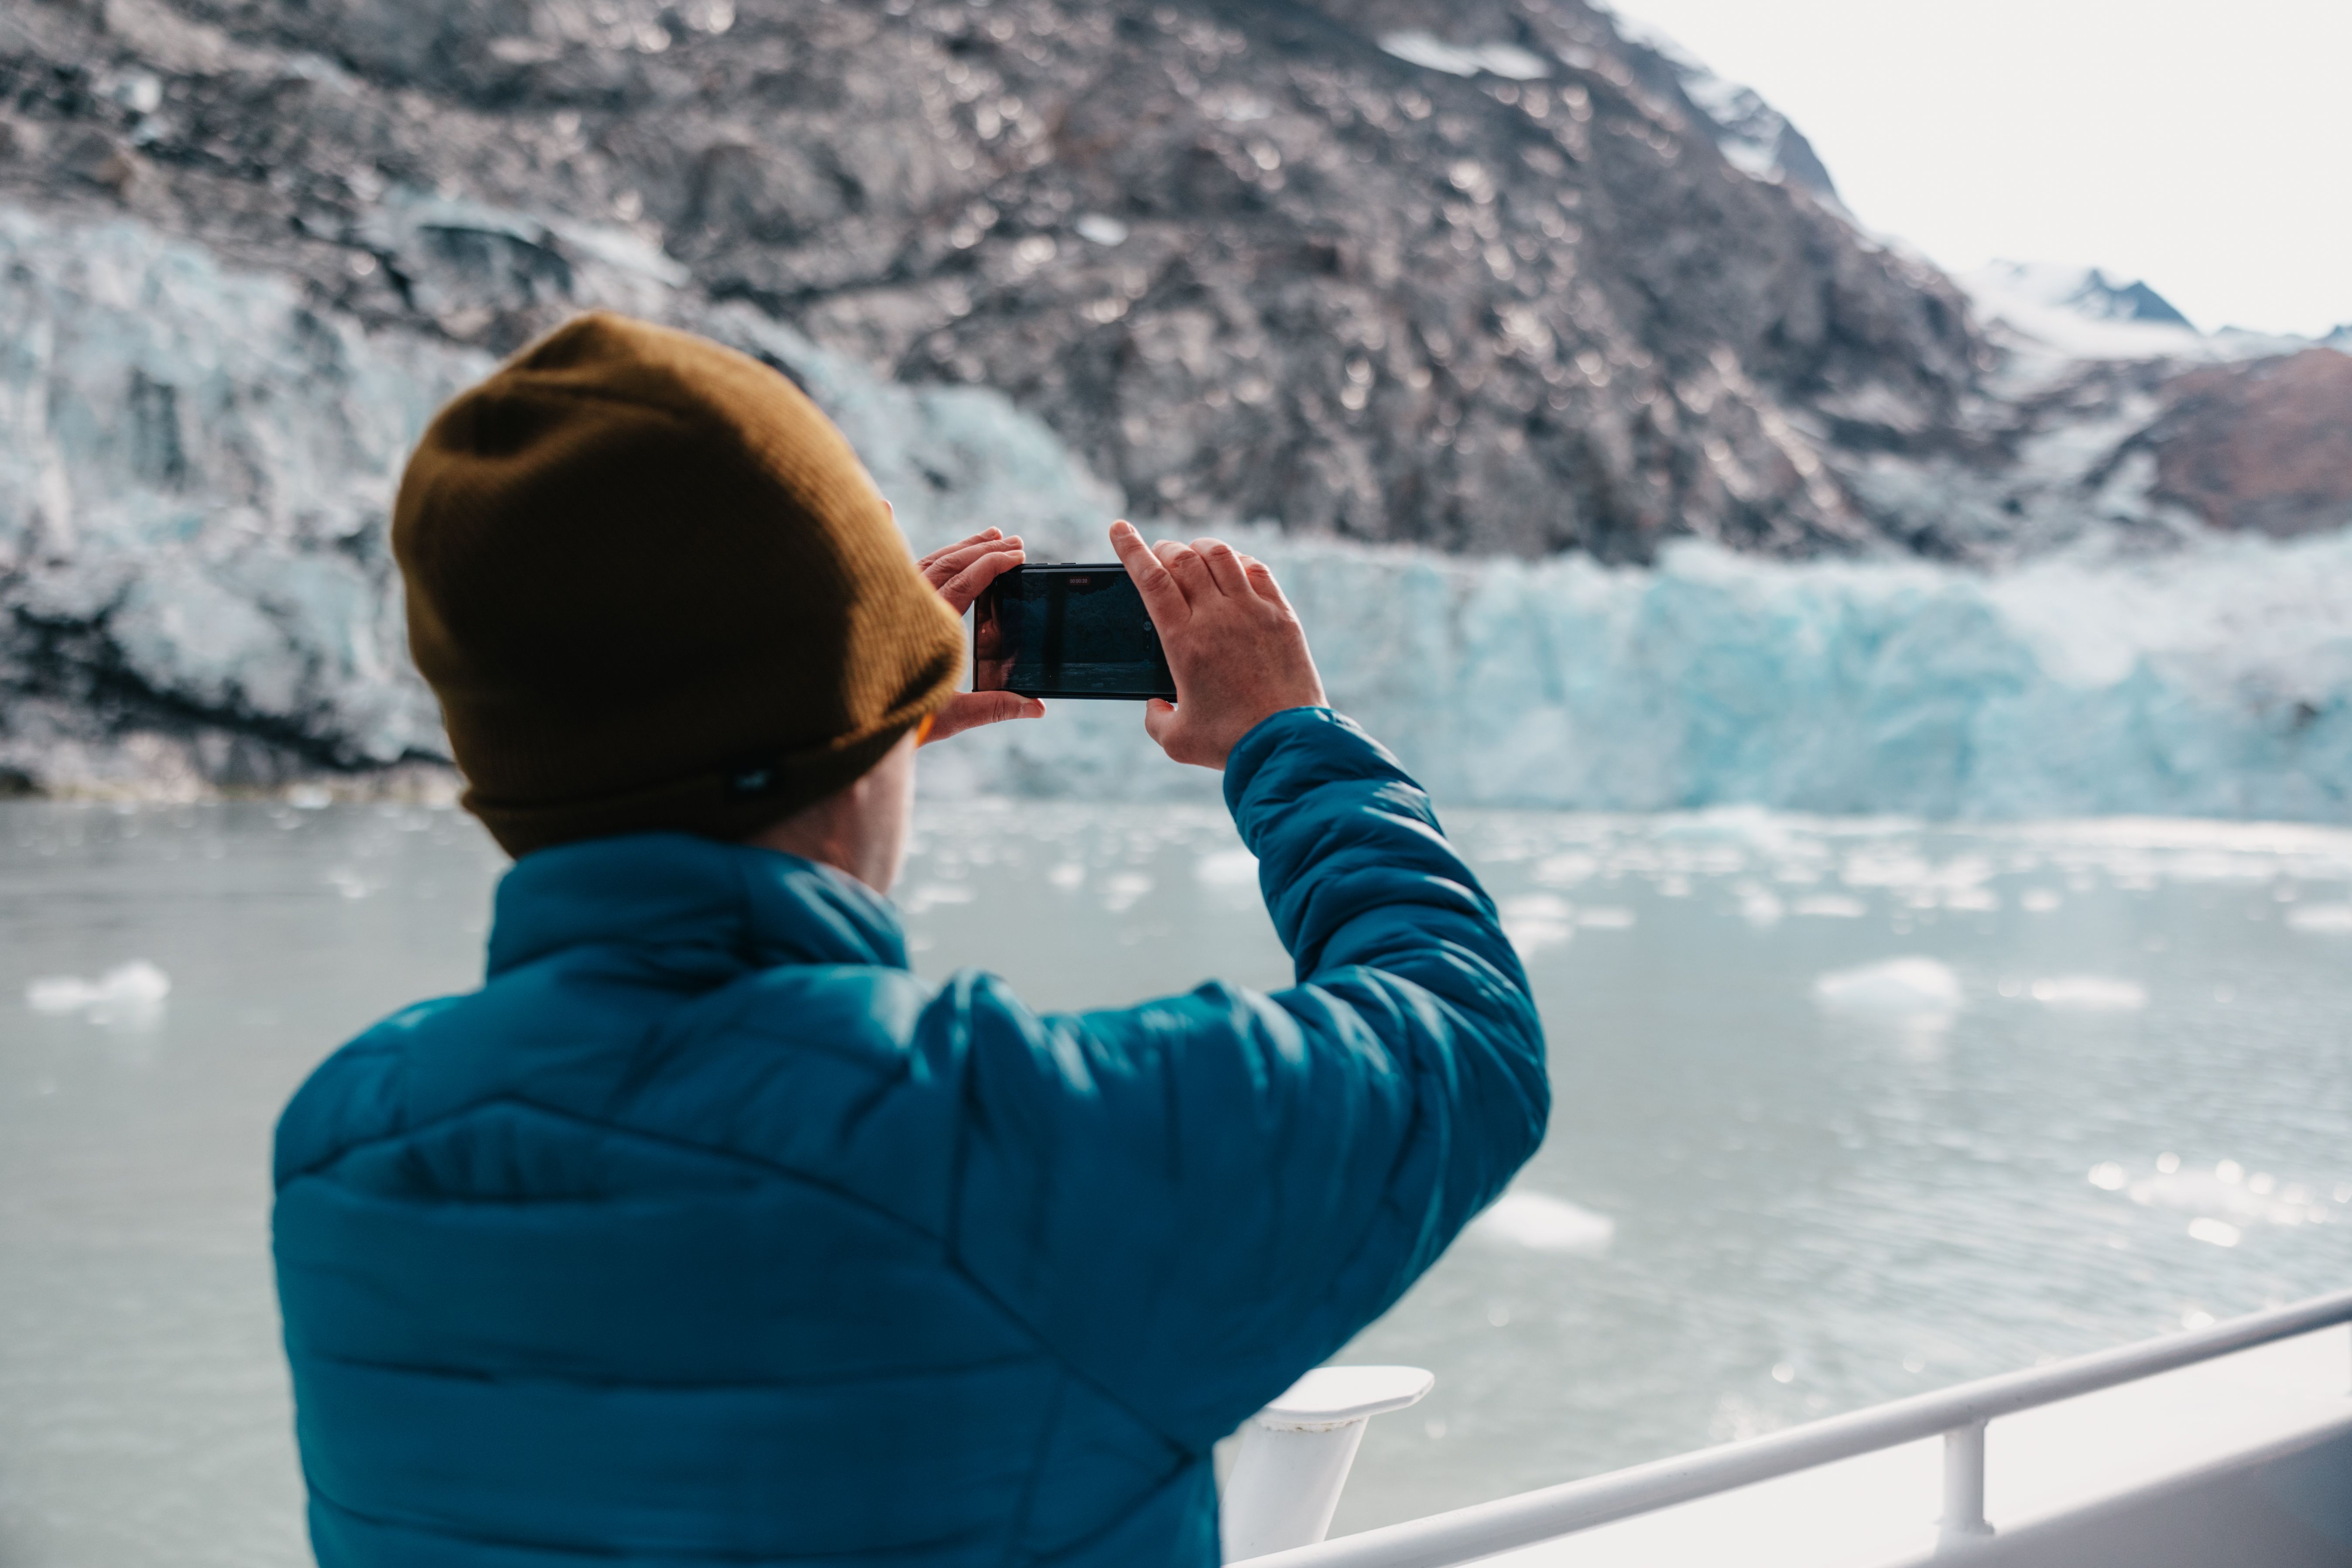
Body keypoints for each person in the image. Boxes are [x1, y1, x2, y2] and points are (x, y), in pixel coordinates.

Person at [271, 312, 1549, 1568]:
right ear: (864, 717)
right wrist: (1289, 740)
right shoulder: (1016, 1142)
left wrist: (847, 715)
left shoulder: (344, 1146)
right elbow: (1466, 1034)